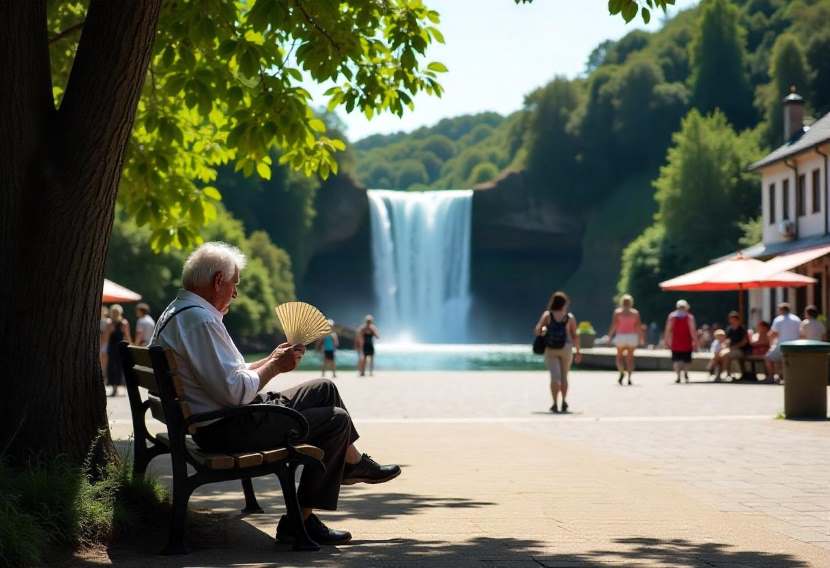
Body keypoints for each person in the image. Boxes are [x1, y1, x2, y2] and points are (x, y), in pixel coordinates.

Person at [151, 242, 400, 545]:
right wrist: (276, 368)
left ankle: (352, 463)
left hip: (216, 419)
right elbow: (235, 392)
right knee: (335, 421)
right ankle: (302, 520)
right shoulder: (201, 321)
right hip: (226, 428)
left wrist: (270, 359)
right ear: (218, 281)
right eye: (234, 285)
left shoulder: (179, 312)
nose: (236, 293)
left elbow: (232, 374)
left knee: (324, 387)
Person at [534, 291, 582, 413]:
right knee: (564, 376)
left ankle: (555, 403)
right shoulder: (569, 317)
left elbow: (537, 330)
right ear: (564, 304)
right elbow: (575, 335)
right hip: (566, 348)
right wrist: (577, 352)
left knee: (555, 377)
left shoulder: (547, 315)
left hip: (551, 349)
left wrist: (544, 330)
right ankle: (564, 401)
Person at [607, 294, 643, 385]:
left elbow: (614, 325)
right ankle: (630, 377)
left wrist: (609, 337)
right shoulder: (635, 313)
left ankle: (621, 372)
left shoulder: (618, 312)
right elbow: (638, 327)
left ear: (621, 302)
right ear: (631, 302)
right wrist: (641, 338)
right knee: (630, 358)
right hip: (632, 336)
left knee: (619, 357)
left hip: (621, 336)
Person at [766, 302, 801, 381]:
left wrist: (770, 345)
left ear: (781, 310)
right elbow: (801, 333)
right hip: (796, 346)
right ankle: (782, 375)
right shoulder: (797, 319)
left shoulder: (779, 319)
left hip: (783, 345)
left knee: (768, 357)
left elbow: (772, 334)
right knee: (782, 359)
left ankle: (771, 377)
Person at [664, 299, 697, 384]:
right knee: (686, 359)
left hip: (675, 341)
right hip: (687, 341)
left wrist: (666, 340)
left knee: (676, 360)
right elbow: (692, 330)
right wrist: (695, 341)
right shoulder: (689, 317)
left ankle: (678, 376)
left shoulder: (672, 316)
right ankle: (685, 373)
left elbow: (668, 329)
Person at [104, 304, 131, 396]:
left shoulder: (111, 323)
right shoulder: (123, 323)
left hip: (115, 348)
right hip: (117, 348)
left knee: (115, 368)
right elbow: (127, 337)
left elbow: (106, 338)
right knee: (115, 368)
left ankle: (116, 389)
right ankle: (115, 388)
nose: (114, 314)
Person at [714, 311, 750, 381]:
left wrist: (734, 347)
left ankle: (726, 373)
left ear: (738, 320)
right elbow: (726, 340)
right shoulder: (729, 329)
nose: (732, 321)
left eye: (734, 320)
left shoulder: (742, 329)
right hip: (730, 349)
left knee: (727, 355)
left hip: (741, 350)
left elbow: (744, 342)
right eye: (731, 319)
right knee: (719, 354)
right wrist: (724, 346)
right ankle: (718, 374)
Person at [99, 306, 111, 371]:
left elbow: (106, 333)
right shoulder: (101, 320)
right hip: (101, 342)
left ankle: (104, 371)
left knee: (104, 357)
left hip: (105, 342)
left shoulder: (108, 321)